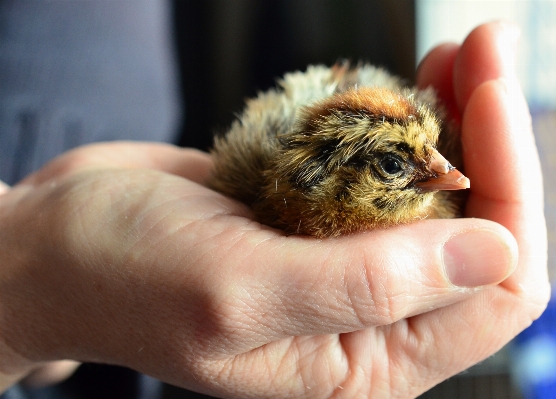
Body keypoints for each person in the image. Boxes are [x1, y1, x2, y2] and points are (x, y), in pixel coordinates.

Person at [0, 15, 548, 399]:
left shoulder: (430, 196)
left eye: (431, 152)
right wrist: (23, 294)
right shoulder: (272, 191)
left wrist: (45, 309)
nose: (444, 169)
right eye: (392, 167)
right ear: (326, 185)